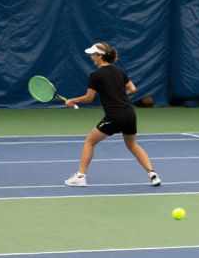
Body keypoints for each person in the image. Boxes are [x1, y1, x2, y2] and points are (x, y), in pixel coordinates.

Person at [63, 42, 161, 188]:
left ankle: (80, 176)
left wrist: (72, 101)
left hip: (114, 117)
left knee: (89, 142)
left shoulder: (95, 75)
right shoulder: (119, 71)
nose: (91, 58)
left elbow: (89, 98)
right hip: (129, 114)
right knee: (132, 145)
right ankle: (153, 175)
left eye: (92, 55)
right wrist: (118, 94)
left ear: (99, 56)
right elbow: (132, 88)